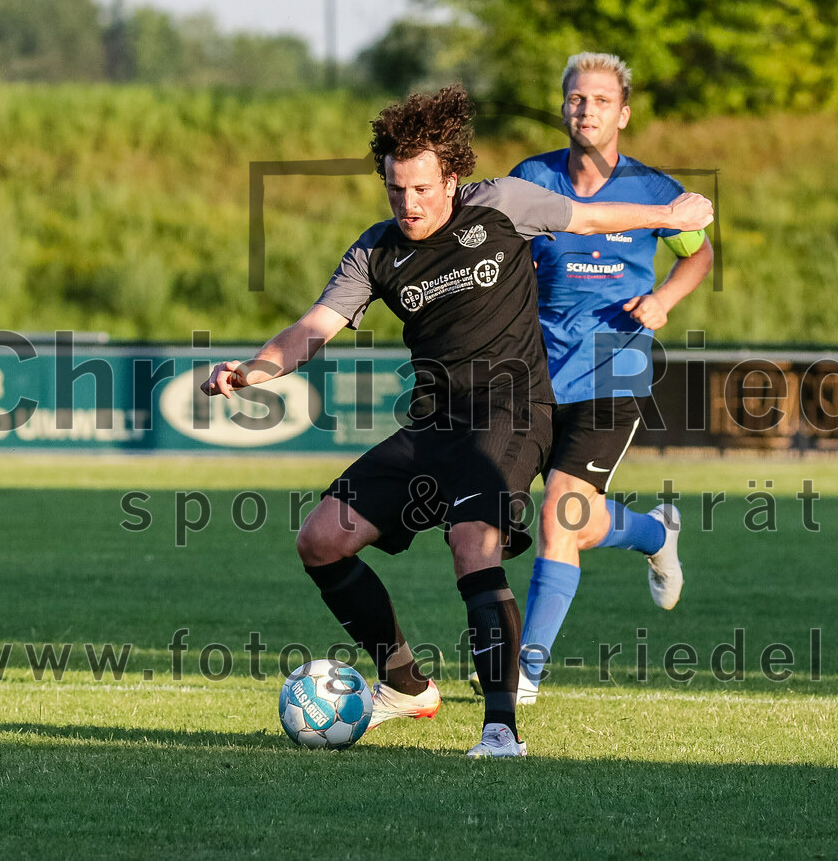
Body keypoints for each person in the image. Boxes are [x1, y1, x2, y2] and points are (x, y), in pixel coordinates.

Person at [202, 84, 712, 757]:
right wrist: (254, 370)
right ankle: (405, 683)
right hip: (435, 423)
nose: (407, 204)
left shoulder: (502, 204)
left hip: (512, 412)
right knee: (321, 538)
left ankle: (501, 728)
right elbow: (312, 329)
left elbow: (587, 218)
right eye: (394, 190)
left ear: (451, 177)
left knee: (474, 540)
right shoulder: (376, 252)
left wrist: (668, 210)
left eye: (419, 188)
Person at [492, 52, 714, 704]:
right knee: (578, 521)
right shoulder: (531, 179)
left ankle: (523, 671)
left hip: (616, 360)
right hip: (534, 367)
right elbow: (502, 259)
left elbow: (698, 254)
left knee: (561, 512)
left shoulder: (653, 192)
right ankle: (655, 532)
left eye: (599, 99)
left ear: (624, 112)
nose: (585, 108)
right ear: (564, 107)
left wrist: (665, 301)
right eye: (576, 98)